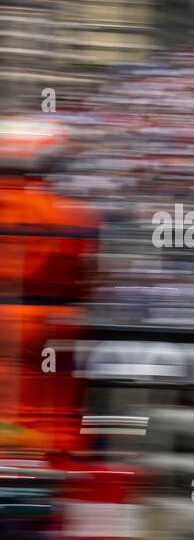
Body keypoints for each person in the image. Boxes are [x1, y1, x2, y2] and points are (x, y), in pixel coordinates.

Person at [0, 118, 98, 455]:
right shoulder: (73, 215)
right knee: (53, 411)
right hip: (53, 322)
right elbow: (86, 280)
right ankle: (48, 464)